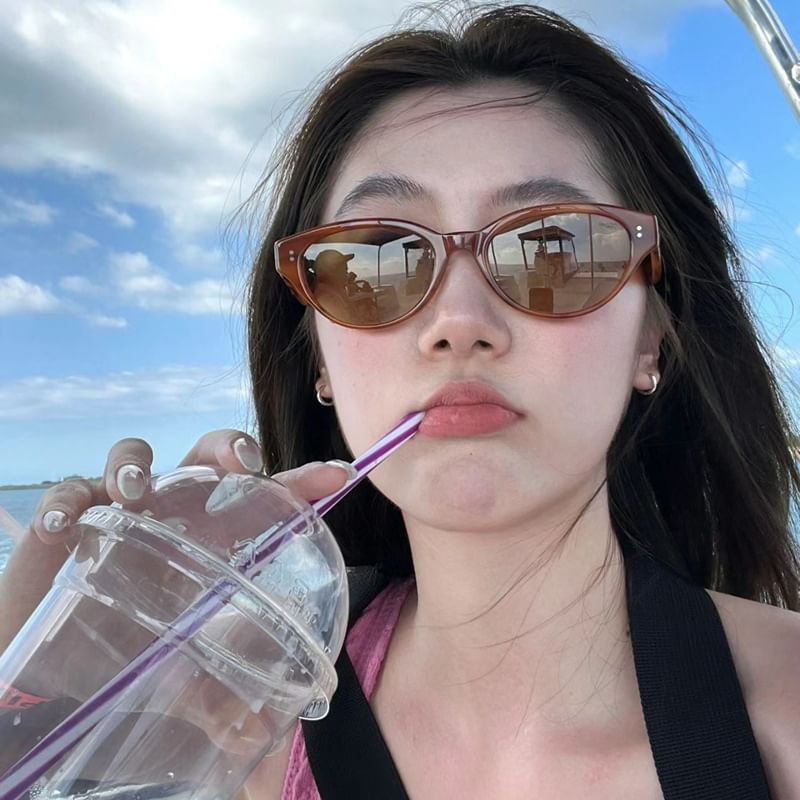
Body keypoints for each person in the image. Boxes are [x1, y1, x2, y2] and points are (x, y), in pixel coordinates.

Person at [2, 3, 800, 798]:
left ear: (649, 336)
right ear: (317, 354)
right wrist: (32, 686)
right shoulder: (245, 723)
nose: (459, 322)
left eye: (553, 248)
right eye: (372, 262)